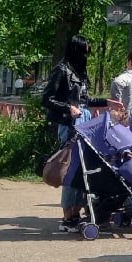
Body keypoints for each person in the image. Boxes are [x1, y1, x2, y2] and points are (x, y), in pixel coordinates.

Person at [42, 36, 92, 230]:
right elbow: (47, 98)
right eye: (85, 51)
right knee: (70, 168)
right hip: (68, 124)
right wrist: (67, 108)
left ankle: (76, 212)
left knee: (82, 168)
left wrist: (106, 103)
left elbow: (86, 99)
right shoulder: (61, 70)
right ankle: (67, 216)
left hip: (84, 121)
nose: (87, 55)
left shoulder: (80, 72)